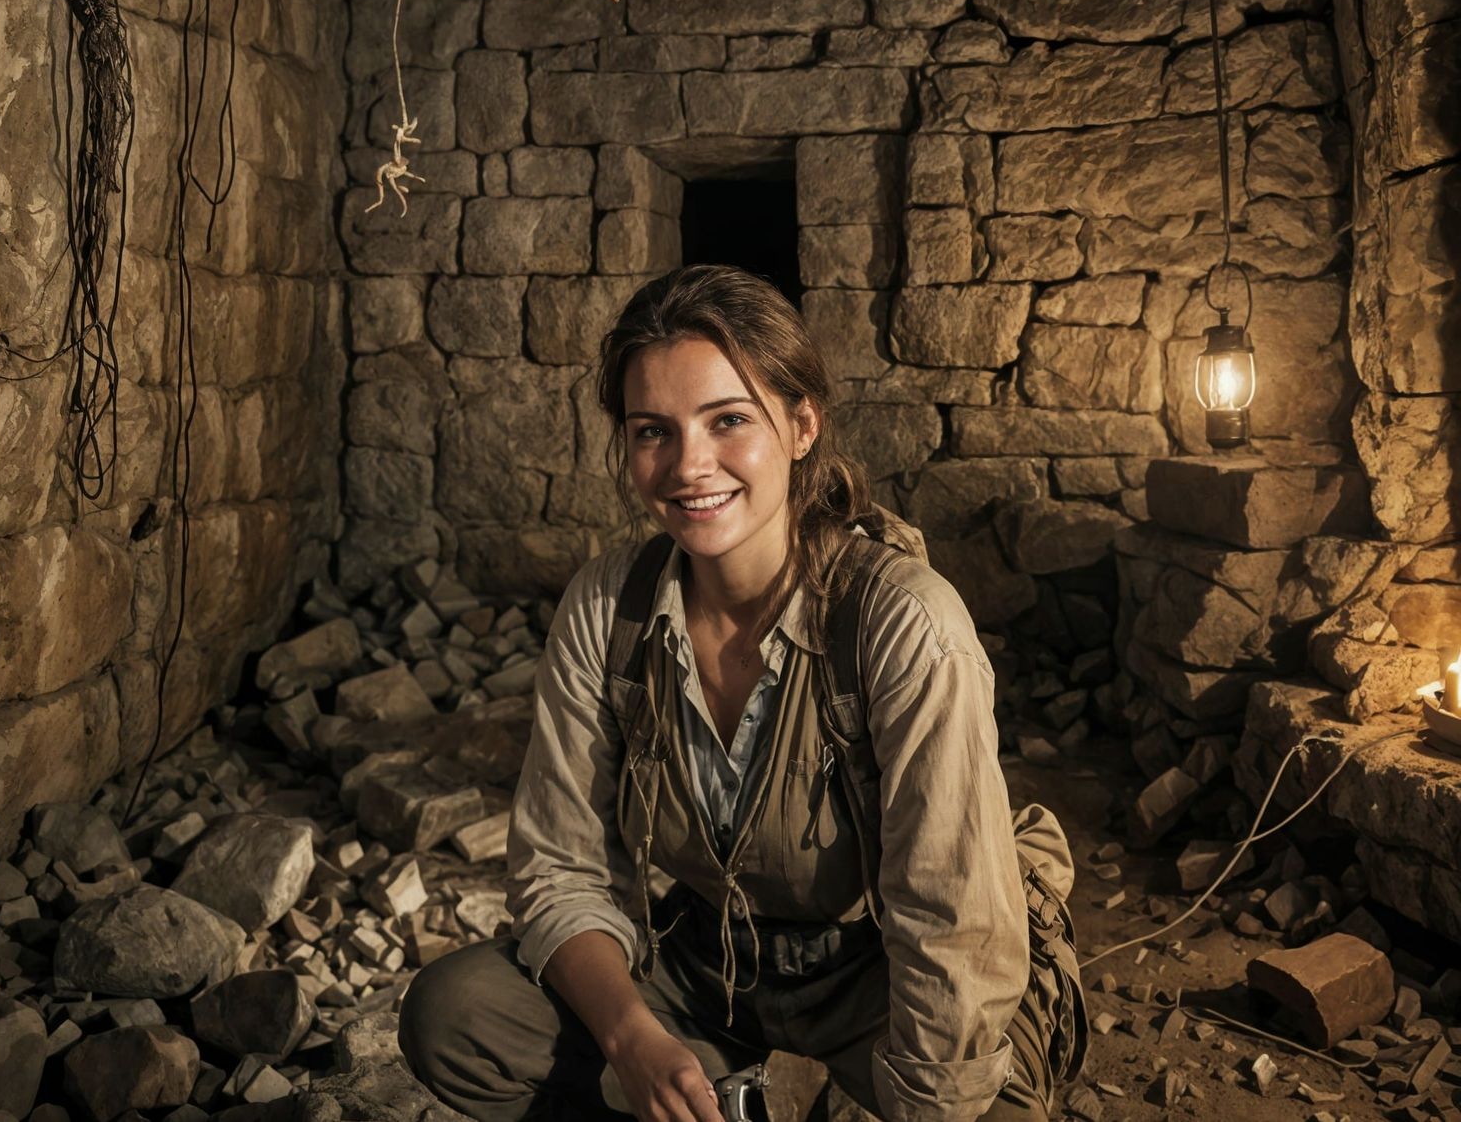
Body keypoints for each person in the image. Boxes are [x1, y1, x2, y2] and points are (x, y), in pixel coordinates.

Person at [399, 265, 1085, 1122]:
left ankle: (793, 1098)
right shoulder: (609, 608)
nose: (689, 466)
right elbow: (561, 869)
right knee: (459, 1017)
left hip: (881, 977)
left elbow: (951, 928)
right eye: (654, 431)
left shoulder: (901, 622)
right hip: (708, 969)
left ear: (802, 426)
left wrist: (924, 1101)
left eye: (728, 421)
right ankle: (738, 1090)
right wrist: (634, 1041)